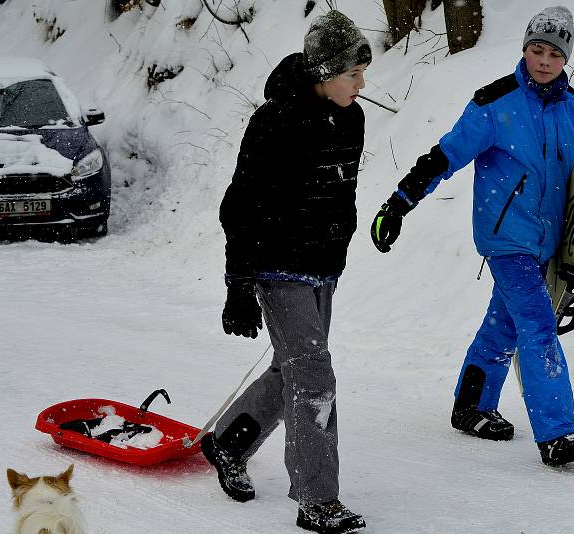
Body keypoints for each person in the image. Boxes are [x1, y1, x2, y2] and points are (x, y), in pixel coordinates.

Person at [371, 6, 574, 467]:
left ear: (566, 57)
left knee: (506, 323)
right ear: (525, 49)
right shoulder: (496, 103)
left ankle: (471, 404)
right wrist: (399, 201)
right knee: (537, 325)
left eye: (554, 52)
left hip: (547, 241)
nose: (544, 60)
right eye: (537, 49)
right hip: (506, 238)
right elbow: (445, 155)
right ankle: (557, 432)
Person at [201, 10, 371, 534]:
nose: (362, 84)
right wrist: (239, 285)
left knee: (294, 368)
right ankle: (318, 500)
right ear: (324, 74)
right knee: (314, 376)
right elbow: (242, 205)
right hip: (279, 265)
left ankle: (229, 441)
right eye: (353, 73)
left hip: (323, 266)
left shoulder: (351, 117)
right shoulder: (275, 121)